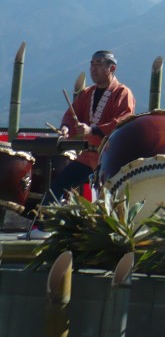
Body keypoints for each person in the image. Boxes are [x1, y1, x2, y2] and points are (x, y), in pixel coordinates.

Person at [25, 50, 135, 239]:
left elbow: (123, 120)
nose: (94, 68)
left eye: (99, 64)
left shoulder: (122, 93)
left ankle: (111, 237)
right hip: (87, 155)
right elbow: (71, 114)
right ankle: (43, 227)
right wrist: (66, 129)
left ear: (112, 68)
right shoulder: (87, 94)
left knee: (109, 198)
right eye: (92, 64)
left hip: (108, 156)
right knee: (58, 186)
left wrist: (93, 131)